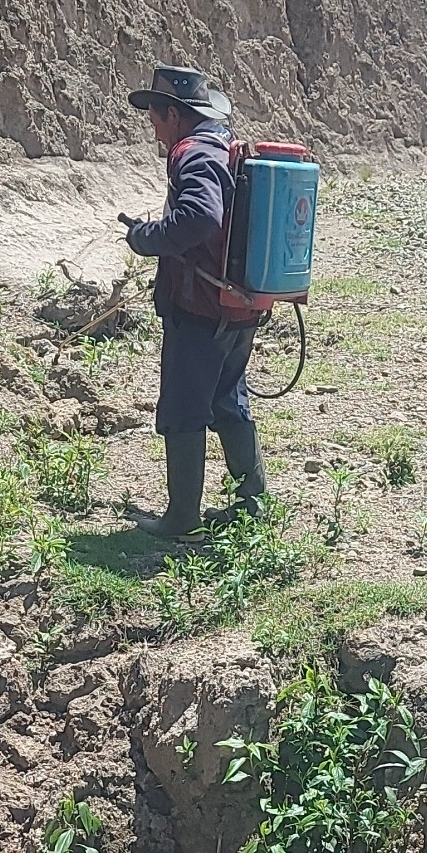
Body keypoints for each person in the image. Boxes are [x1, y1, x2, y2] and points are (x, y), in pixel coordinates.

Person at [118, 64, 268, 538]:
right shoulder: (223, 145)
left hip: (202, 309)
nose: (154, 129)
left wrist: (146, 237)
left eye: (156, 117)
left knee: (184, 410)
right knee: (228, 401)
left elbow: (200, 217)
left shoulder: (192, 152)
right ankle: (253, 505)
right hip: (239, 306)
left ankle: (182, 518)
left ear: (174, 115)